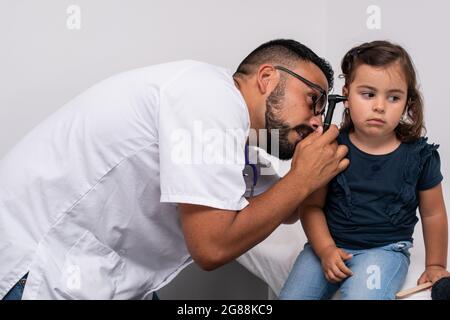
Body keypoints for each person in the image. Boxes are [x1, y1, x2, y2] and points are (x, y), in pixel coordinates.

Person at [0, 39, 349, 299]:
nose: (318, 120)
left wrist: (311, 176)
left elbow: (283, 206)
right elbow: (211, 248)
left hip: (100, 276)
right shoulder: (208, 98)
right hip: (39, 270)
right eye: (314, 99)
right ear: (268, 77)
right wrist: (302, 180)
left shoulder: (234, 137)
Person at [279, 40, 450, 300]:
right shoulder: (330, 147)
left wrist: (435, 265)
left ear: (407, 103)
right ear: (347, 96)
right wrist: (325, 250)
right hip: (326, 245)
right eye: (368, 94)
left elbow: (434, 213)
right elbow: (311, 207)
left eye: (393, 97)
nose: (380, 106)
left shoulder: (420, 156)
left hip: (384, 250)